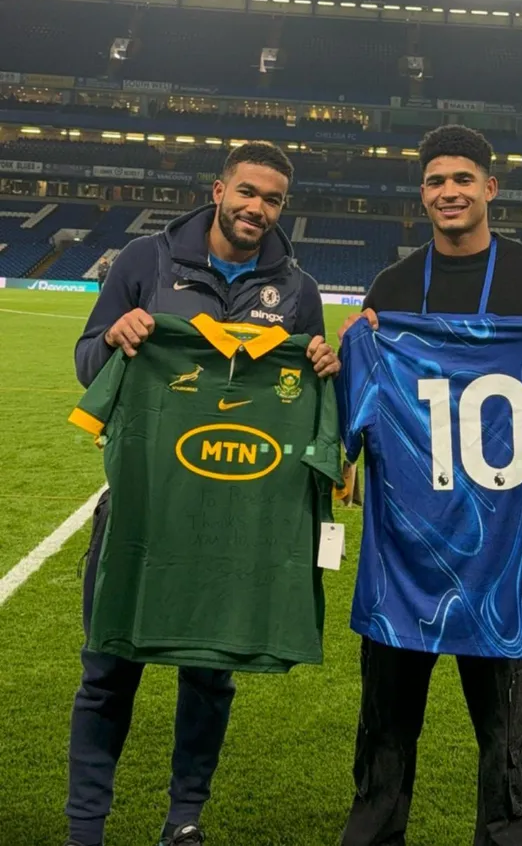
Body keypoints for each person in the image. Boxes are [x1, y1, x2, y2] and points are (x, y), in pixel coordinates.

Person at [337, 125, 522, 846]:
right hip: (405, 554)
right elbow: (354, 403)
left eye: (463, 179)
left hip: (501, 560)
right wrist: (350, 349)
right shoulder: (393, 288)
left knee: (508, 736)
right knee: (386, 727)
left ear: (490, 188)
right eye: (436, 181)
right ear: (422, 194)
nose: (449, 192)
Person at [65, 141, 340, 846]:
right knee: (109, 667)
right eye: (247, 192)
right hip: (146, 509)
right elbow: (88, 363)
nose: (257, 208)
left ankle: (183, 819)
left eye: (273, 200)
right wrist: (116, 337)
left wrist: (321, 362)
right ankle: (85, 829)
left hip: (236, 522)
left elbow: (311, 392)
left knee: (212, 673)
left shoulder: (298, 291)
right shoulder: (145, 261)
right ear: (218, 190)